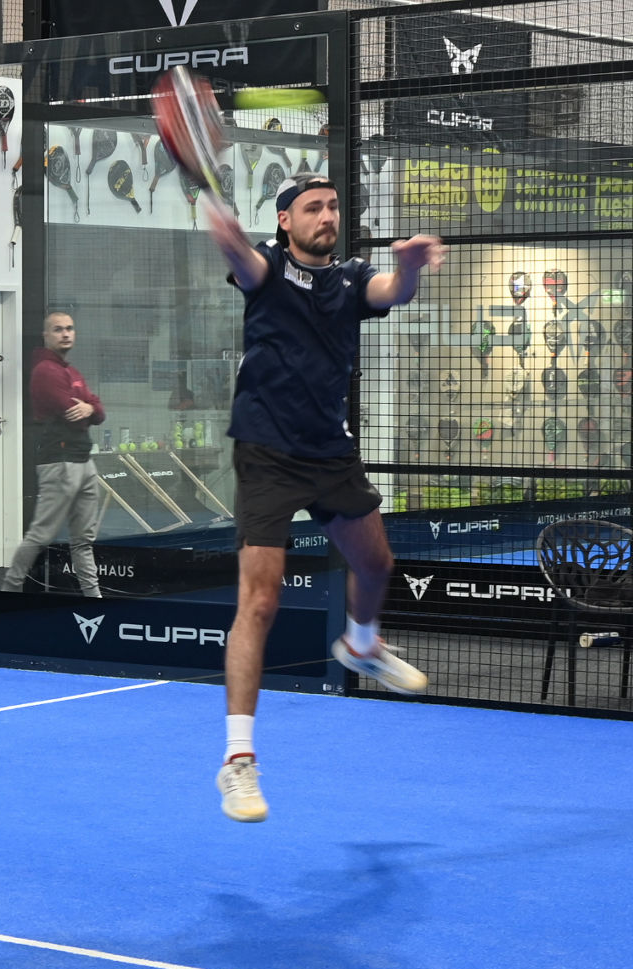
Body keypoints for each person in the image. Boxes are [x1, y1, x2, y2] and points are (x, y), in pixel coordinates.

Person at [202, 174, 446, 823]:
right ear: (285, 221)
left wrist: (409, 266)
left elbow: (394, 291)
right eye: (312, 207)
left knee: (376, 565)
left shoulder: (351, 280)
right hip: (266, 453)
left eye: (333, 206)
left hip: (329, 451)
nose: (326, 215)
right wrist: (222, 228)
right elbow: (240, 258)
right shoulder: (266, 271)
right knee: (261, 598)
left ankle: (362, 644)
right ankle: (237, 762)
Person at [2, 311, 105, 597]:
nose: (66, 334)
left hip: (83, 462)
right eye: (58, 329)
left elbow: (97, 410)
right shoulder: (45, 371)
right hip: (59, 462)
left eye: (70, 328)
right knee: (41, 534)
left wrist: (90, 407)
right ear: (46, 335)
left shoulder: (71, 372)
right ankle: (9, 591)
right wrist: (89, 409)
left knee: (83, 540)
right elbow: (71, 412)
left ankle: (93, 598)